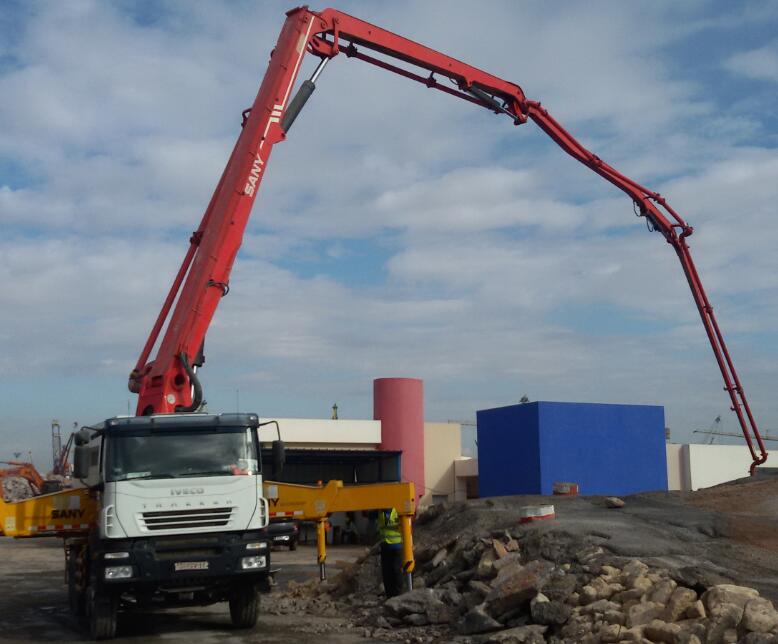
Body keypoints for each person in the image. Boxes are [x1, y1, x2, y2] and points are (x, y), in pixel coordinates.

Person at [377, 507, 403, 597]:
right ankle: (390, 596)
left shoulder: (398, 510)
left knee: (396, 572)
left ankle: (397, 595)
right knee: (386, 573)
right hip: (385, 546)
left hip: (396, 546)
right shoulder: (381, 511)